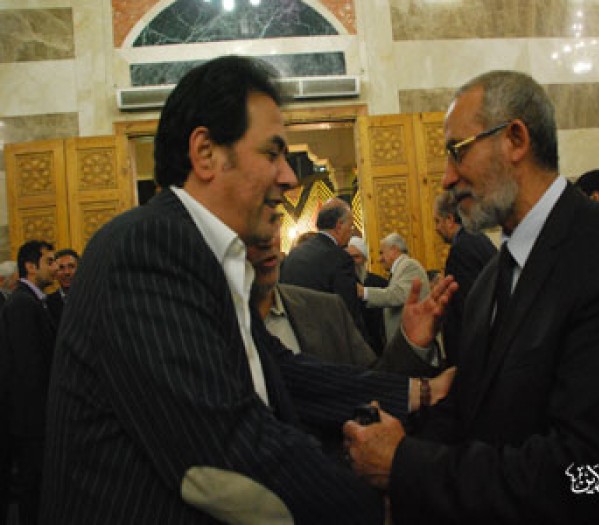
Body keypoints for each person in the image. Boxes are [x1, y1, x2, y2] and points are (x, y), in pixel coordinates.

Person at [40, 55, 455, 525]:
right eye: (272, 154)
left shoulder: (207, 255)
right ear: (206, 153)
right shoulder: (149, 245)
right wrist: (385, 507)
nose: (289, 177)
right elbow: (225, 445)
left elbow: (283, 373)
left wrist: (418, 391)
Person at [344, 70, 599, 524]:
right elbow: (470, 415)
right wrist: (393, 442)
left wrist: (406, 465)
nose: (446, 178)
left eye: (458, 151)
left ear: (515, 140)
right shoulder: (489, 281)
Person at [250, 225, 440, 377]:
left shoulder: (331, 307)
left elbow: (367, 379)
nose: (380, 259)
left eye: (274, 220)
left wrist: (410, 346)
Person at [0, 241, 57, 525]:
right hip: (31, 418)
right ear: (31, 266)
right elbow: (28, 368)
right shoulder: (23, 303)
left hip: (33, 416)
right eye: (50, 262)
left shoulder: (32, 300)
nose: (55, 268)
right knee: (31, 487)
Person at [280, 198, 367, 338]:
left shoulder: (295, 253)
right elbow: (348, 312)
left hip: (295, 336)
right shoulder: (339, 258)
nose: (351, 232)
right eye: (351, 226)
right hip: (329, 339)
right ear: (339, 225)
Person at [433, 190, 496, 365]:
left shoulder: (461, 249)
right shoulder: (478, 238)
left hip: (473, 353)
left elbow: (468, 307)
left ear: (450, 219)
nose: (436, 228)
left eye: (437, 221)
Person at [360, 233, 431, 348]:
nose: (379, 259)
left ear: (394, 250)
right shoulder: (399, 269)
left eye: (381, 253)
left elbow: (397, 295)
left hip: (412, 343)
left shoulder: (409, 265)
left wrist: (364, 292)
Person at [346, 236, 389, 356]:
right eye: (349, 257)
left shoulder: (380, 283)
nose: (352, 261)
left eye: (356, 257)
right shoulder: (343, 285)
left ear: (365, 259)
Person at [45, 248, 79, 323]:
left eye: (71, 266)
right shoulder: (47, 304)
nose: (67, 272)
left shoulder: (91, 298)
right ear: (55, 272)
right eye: (61, 268)